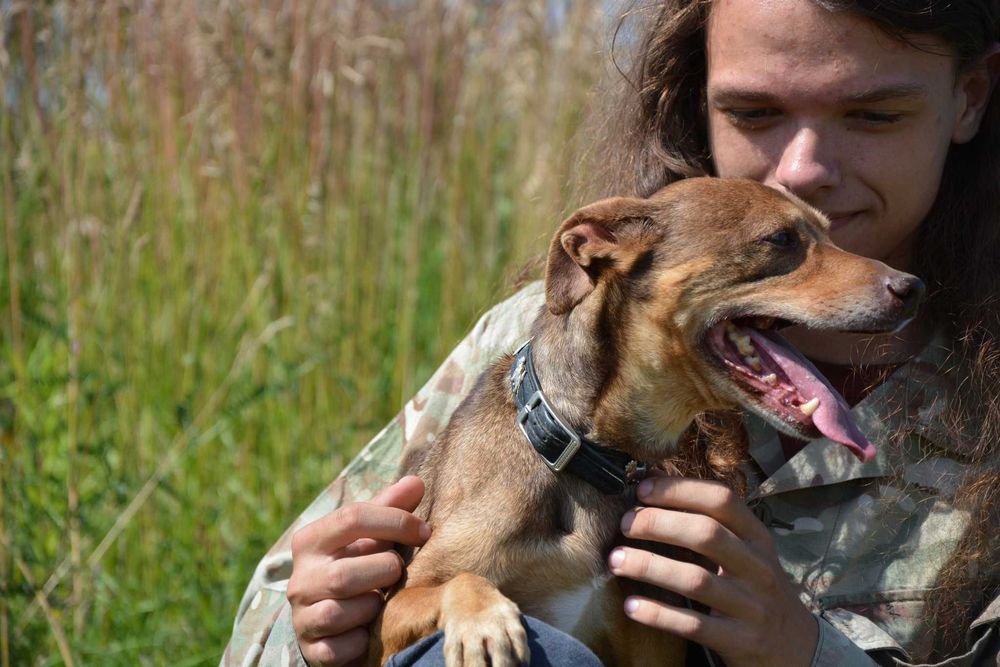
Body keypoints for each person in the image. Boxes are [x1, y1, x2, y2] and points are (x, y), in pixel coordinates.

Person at [222, 0, 1000, 665]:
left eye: (871, 114)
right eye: (753, 112)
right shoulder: (539, 347)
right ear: (698, 99)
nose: (800, 169)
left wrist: (808, 651)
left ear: (969, 97)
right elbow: (264, 618)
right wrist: (318, 630)